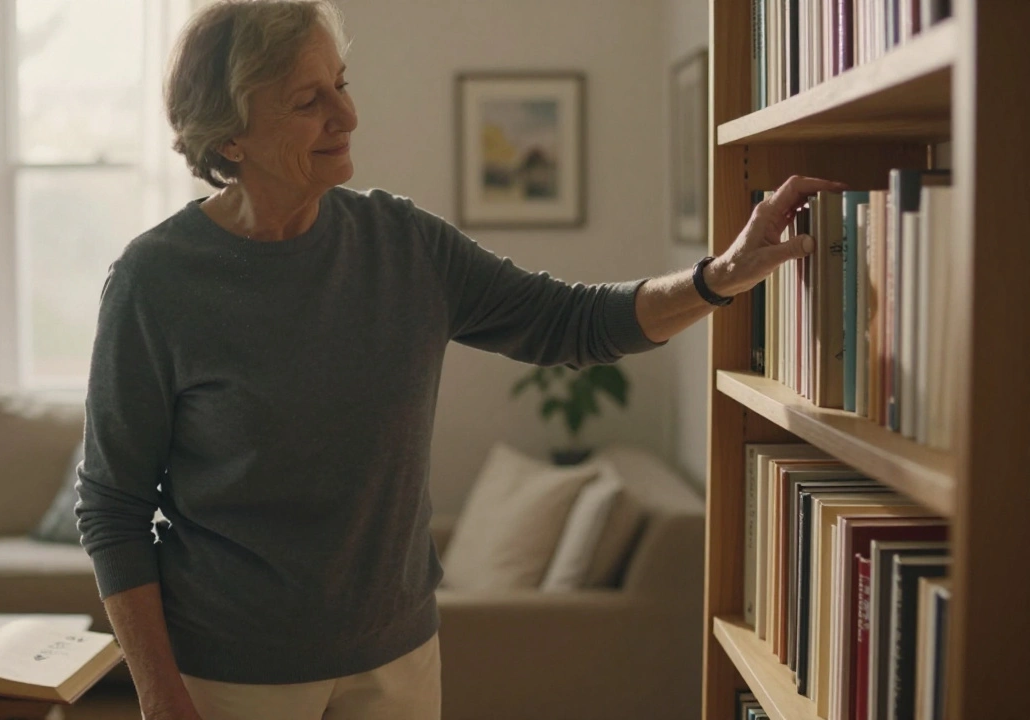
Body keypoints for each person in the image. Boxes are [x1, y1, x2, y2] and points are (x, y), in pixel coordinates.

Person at [74, 1, 844, 718]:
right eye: (308, 102)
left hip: (399, 658)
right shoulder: (158, 282)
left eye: (340, 85)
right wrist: (160, 694)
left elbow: (571, 322)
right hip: (231, 673)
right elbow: (112, 506)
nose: (347, 115)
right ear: (229, 136)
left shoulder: (402, 245)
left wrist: (719, 278)